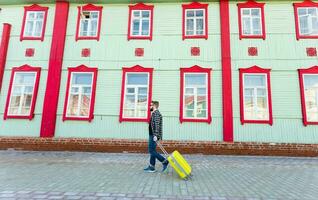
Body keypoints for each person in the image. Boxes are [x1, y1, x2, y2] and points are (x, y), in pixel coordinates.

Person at [143, 101, 169, 173]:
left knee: (151, 150)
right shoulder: (154, 113)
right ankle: (152, 167)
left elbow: (157, 125)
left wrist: (156, 135)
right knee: (153, 151)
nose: (149, 107)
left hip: (154, 135)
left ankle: (164, 161)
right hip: (152, 135)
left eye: (150, 105)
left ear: (154, 106)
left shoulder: (156, 114)